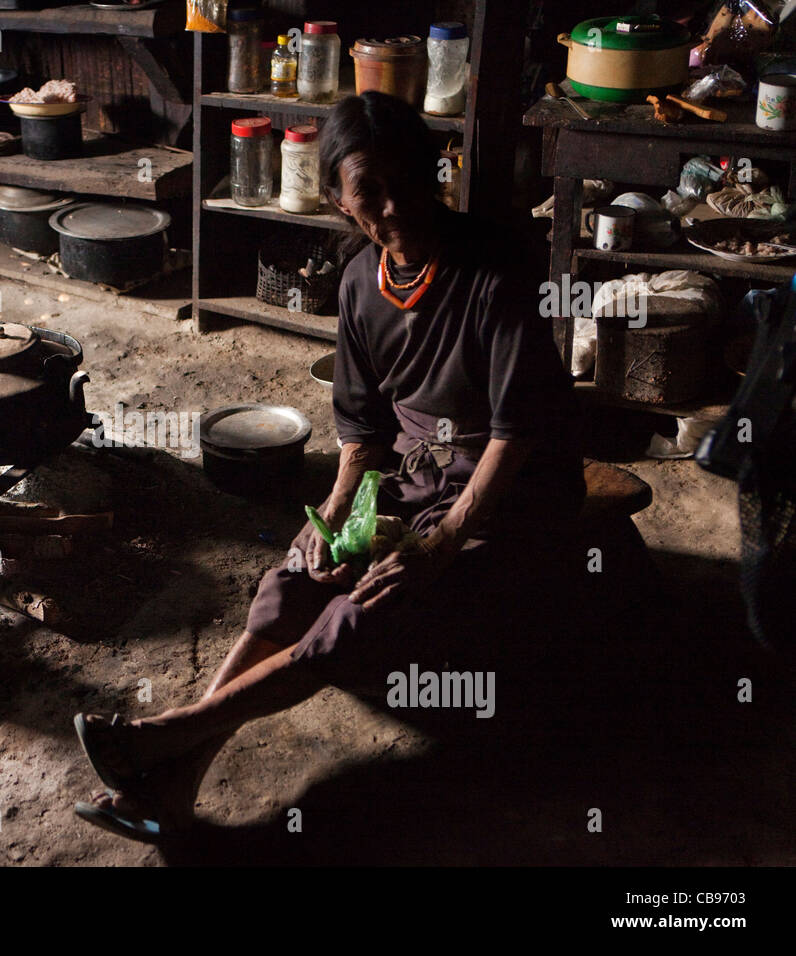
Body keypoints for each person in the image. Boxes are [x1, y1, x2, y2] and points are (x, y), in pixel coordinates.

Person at [72, 92, 586, 844]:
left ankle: (165, 734)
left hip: (510, 491)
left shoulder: (495, 269)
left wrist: (440, 546)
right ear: (337, 199)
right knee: (292, 581)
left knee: (364, 608)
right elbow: (364, 426)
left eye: (408, 179)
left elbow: (518, 432)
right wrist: (338, 508)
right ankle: (176, 778)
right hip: (416, 478)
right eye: (368, 189)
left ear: (436, 171)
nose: (393, 203)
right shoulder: (358, 286)